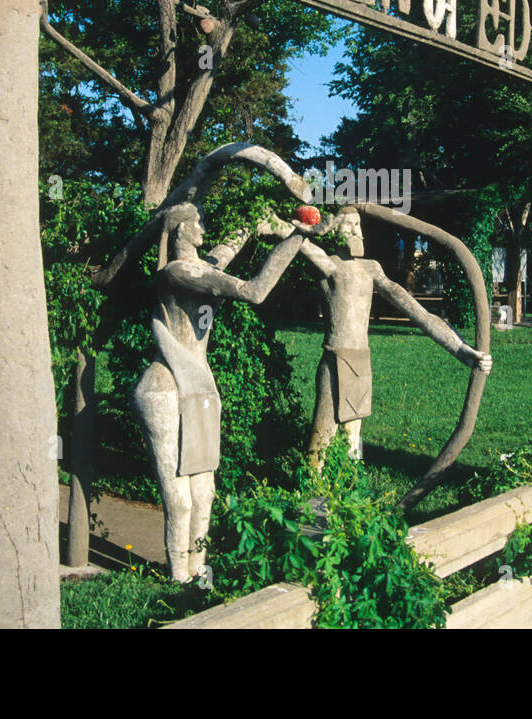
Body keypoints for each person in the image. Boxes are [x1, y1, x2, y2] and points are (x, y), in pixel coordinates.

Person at [131, 203, 305, 581]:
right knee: (178, 500)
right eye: (196, 222)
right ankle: (179, 579)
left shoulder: (200, 268)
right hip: (166, 387)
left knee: (204, 495)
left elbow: (223, 252)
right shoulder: (178, 273)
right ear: (178, 231)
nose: (203, 227)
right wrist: (297, 238)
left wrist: (254, 224)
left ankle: (198, 574)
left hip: (200, 388)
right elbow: (255, 291)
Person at [301, 205, 491, 465]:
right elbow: (296, 239)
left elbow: (418, 312)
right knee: (321, 440)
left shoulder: (371, 268)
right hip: (335, 361)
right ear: (334, 229)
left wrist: (461, 349)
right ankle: (312, 499)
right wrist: (305, 228)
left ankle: (350, 495)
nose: (358, 233)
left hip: (360, 363)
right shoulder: (328, 264)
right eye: (349, 225)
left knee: (352, 439)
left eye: (359, 226)